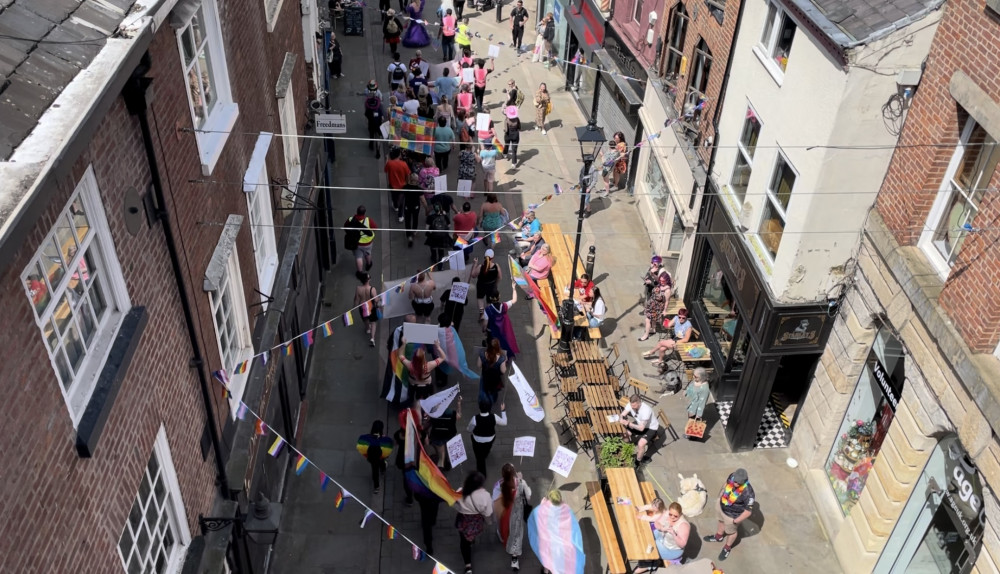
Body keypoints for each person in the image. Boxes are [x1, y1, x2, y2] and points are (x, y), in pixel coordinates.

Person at [527, 490, 586, 574]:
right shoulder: (565, 508)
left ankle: (545, 570)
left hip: (547, 540)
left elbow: (538, 517)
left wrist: (542, 503)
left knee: (547, 556)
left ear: (550, 499)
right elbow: (571, 525)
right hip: (561, 542)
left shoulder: (544, 507)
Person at [704, 468, 756, 561]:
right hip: (722, 506)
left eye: (738, 483)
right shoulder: (732, 476)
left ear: (743, 482)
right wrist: (720, 495)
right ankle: (718, 537)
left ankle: (727, 548)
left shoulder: (748, 493)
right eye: (734, 481)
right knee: (720, 521)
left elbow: (748, 511)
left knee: (731, 532)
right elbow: (726, 484)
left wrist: (735, 521)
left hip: (732, 515)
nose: (735, 483)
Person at [493, 463, 531, 570]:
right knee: (516, 534)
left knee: (505, 528)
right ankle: (514, 559)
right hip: (517, 512)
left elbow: (495, 499)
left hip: (505, 512)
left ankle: (503, 538)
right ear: (514, 472)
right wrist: (521, 480)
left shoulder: (499, 485)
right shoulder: (520, 483)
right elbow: (528, 496)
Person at [454, 471, 493, 574]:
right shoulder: (485, 496)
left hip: (463, 520)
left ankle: (468, 566)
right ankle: (471, 539)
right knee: (471, 535)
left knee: (464, 542)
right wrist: (489, 522)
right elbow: (488, 513)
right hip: (476, 521)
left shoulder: (460, 492)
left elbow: (455, 506)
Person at [636, 499, 689, 564]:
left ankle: (649, 565)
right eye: (670, 514)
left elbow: (682, 544)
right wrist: (662, 528)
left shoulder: (683, 525)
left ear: (680, 514)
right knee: (647, 536)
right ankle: (646, 563)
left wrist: (674, 534)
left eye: (675, 516)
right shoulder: (667, 513)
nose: (672, 517)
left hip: (671, 549)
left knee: (649, 549)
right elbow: (656, 523)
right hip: (662, 538)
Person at [399, 336, 446, 402]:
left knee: (412, 397)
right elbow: (443, 357)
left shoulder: (410, 365)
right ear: (423, 357)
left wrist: (403, 344)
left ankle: (412, 401)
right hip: (426, 385)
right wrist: (438, 347)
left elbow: (400, 356)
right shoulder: (429, 365)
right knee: (427, 398)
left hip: (413, 385)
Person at [468, 399, 507, 475]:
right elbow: (504, 422)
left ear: (480, 408)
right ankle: (485, 454)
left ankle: (482, 473)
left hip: (477, 440)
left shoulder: (475, 418)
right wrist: (503, 410)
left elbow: (470, 429)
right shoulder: (494, 417)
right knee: (487, 449)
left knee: (479, 458)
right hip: (490, 439)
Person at [619, 394, 659, 464]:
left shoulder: (646, 410)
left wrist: (629, 424)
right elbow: (622, 414)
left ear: (639, 403)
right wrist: (621, 418)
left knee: (641, 444)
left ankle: (638, 461)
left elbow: (641, 428)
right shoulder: (631, 405)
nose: (632, 407)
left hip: (650, 428)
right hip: (639, 424)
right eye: (631, 405)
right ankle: (627, 448)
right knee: (625, 434)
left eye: (634, 406)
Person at [485, 286, 520, 360]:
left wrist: (484, 329)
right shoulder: (504, 305)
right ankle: (507, 357)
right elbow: (514, 300)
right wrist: (514, 288)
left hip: (494, 332)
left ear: (490, 298)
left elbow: (485, 323)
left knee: (496, 345)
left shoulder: (487, 310)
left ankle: (498, 358)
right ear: (499, 296)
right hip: (505, 330)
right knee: (506, 343)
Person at [358, 420, 393, 493]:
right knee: (382, 462)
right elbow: (388, 446)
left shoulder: (368, 438)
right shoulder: (382, 439)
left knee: (375, 471)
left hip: (372, 457)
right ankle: (383, 470)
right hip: (380, 456)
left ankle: (376, 487)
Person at [471, 250, 502, 326]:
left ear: (484, 257)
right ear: (493, 257)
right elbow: (500, 277)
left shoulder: (480, 266)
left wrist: (475, 264)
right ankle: (487, 315)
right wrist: (496, 285)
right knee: (489, 301)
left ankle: (481, 313)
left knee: (480, 298)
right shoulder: (496, 266)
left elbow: (473, 275)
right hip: (491, 286)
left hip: (481, 285)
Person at [638, 273, 671, 341]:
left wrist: (665, 310)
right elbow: (656, 278)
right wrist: (652, 274)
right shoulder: (660, 284)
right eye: (660, 280)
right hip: (651, 304)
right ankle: (653, 329)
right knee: (652, 319)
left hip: (657, 307)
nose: (661, 282)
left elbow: (667, 301)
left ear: (667, 281)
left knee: (647, 320)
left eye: (663, 281)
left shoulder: (667, 290)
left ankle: (646, 335)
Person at [344, 206, 376, 275]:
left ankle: (360, 272)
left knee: (358, 257)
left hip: (356, 242)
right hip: (368, 242)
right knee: (368, 254)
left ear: (357, 211)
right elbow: (375, 228)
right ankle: (368, 265)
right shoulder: (368, 220)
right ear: (364, 213)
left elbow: (345, 227)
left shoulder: (350, 219)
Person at [354, 272, 381, 347]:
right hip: (371, 307)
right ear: (368, 280)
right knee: (373, 322)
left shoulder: (358, 288)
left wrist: (354, 306)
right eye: (369, 278)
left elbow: (356, 299)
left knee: (365, 319)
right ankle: (372, 338)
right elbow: (376, 300)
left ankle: (367, 329)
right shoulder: (372, 289)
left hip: (362, 307)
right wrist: (379, 298)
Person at [477, 337, 507, 406]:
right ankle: (492, 400)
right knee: (494, 391)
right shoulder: (501, 358)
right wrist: (505, 361)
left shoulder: (482, 354)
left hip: (485, 376)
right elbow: (503, 371)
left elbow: (479, 365)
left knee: (483, 388)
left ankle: (484, 400)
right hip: (495, 379)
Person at [385, 148, 411, 222]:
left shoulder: (390, 163)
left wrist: (387, 159)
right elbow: (408, 174)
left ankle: (395, 206)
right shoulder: (404, 164)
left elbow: (385, 170)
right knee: (402, 201)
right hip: (402, 185)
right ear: (398, 155)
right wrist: (408, 182)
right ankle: (400, 215)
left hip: (392, 185)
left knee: (394, 196)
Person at [363, 81, 385, 158]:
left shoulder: (366, 92)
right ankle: (378, 149)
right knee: (378, 137)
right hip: (378, 123)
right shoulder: (378, 107)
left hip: (371, 123)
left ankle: (371, 145)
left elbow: (366, 114)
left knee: (372, 135)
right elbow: (382, 116)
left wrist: (369, 118)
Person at [403, 173, 424, 246]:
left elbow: (402, 196)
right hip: (416, 207)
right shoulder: (419, 189)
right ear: (416, 180)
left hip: (407, 206)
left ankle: (409, 236)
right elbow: (422, 199)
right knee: (415, 218)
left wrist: (399, 205)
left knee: (407, 221)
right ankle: (414, 231)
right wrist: (426, 208)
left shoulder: (405, 187)